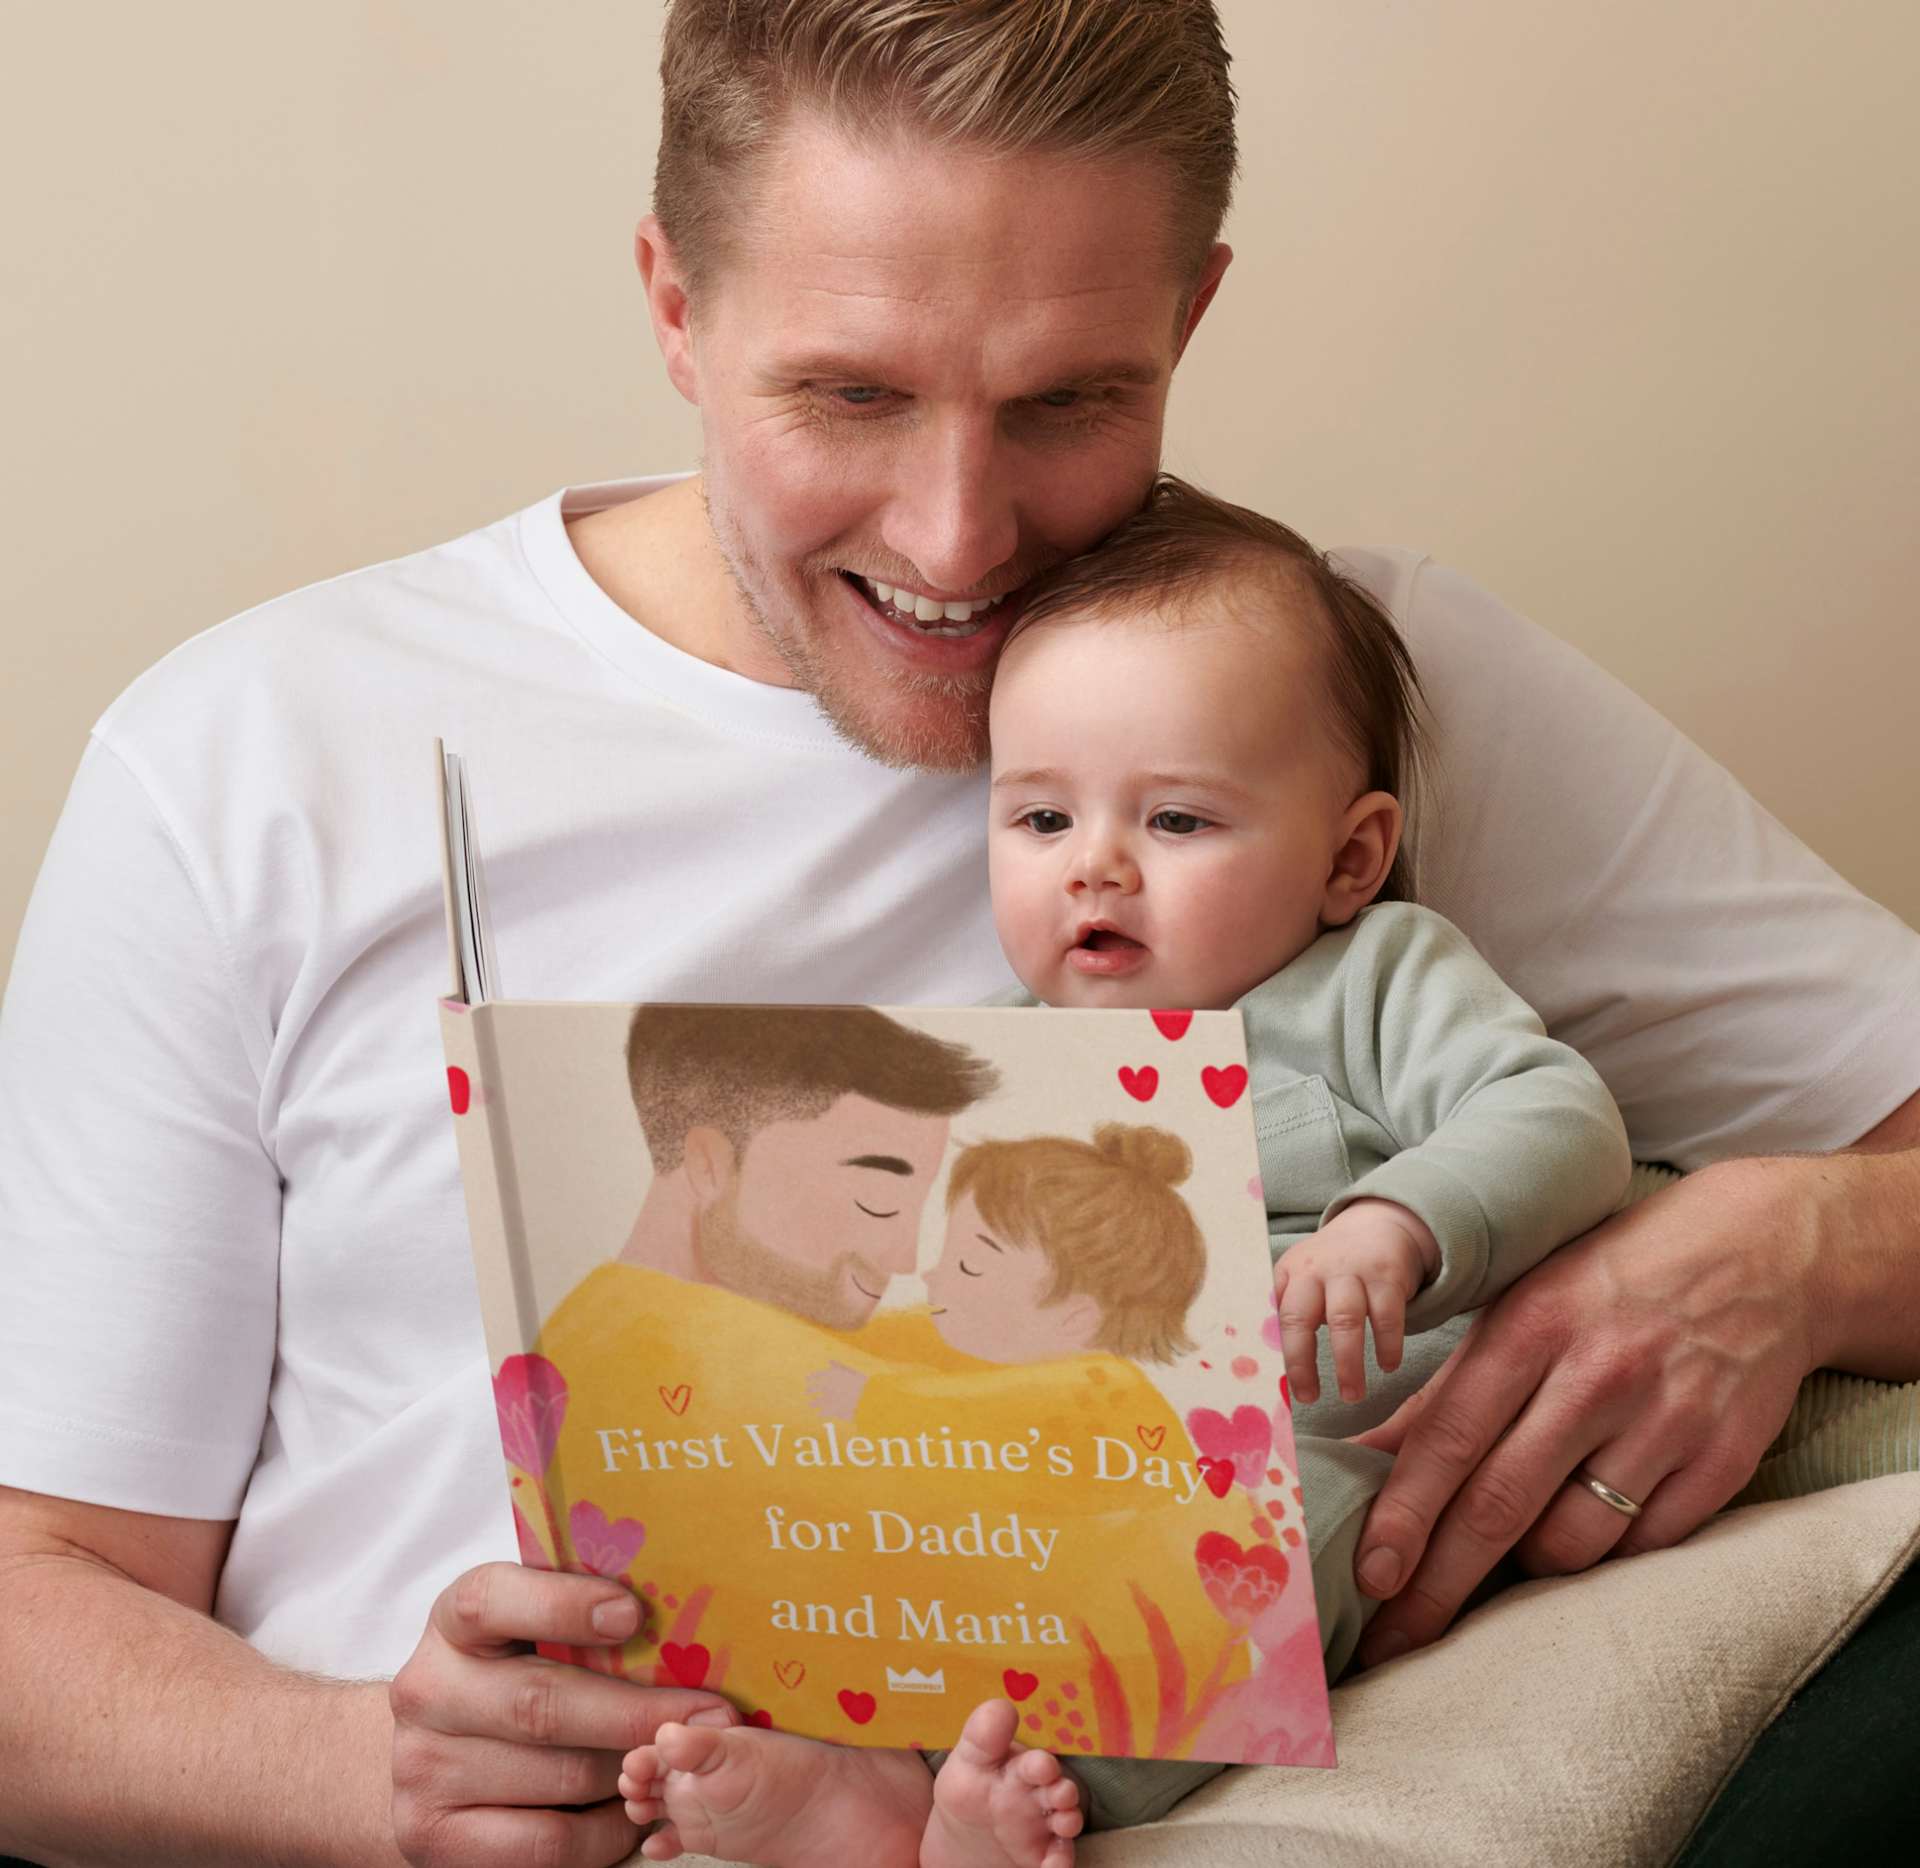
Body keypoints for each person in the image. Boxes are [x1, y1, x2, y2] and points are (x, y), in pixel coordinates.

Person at [0, 3, 1914, 1865]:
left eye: (1070, 402)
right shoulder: (254, 755)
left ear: (1192, 314)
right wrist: (370, 1783)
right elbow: (34, 1611)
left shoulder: (1325, 692)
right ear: (673, 302)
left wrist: (1798, 1245)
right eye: (851, 395)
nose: (959, 538)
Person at [619, 479, 1633, 1864]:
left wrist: (1399, 1220)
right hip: (1071, 1449)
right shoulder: (1003, 1058)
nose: (1094, 870)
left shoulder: (1370, 981)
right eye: (1040, 823)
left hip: (1319, 1450)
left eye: (1176, 824)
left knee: (1246, 1563)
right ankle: (862, 1769)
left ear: (1350, 858)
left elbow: (1560, 1114)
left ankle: (1028, 1792)